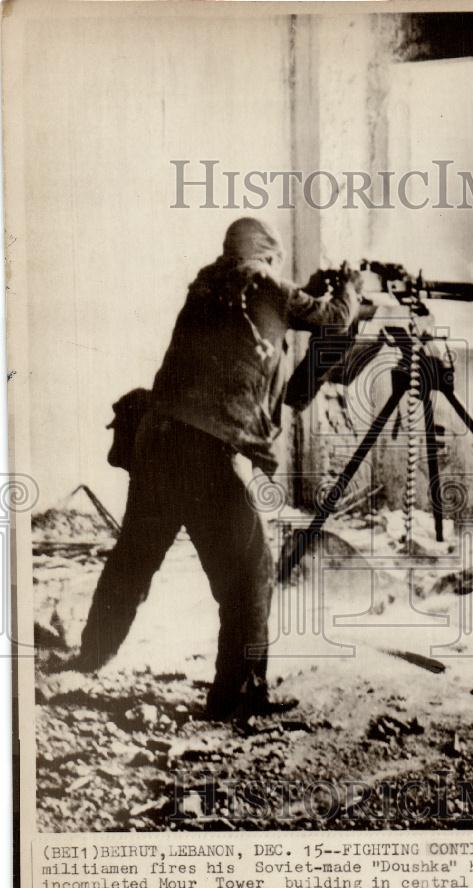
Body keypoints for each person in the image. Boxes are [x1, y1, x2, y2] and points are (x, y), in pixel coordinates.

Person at [55, 218, 362, 720]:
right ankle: (236, 697)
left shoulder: (209, 285)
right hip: (204, 453)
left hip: (158, 440)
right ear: (267, 255)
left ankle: (89, 659)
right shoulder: (264, 284)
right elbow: (330, 319)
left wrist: (310, 296)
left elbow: (267, 327)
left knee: (133, 559)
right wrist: (349, 289)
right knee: (249, 572)